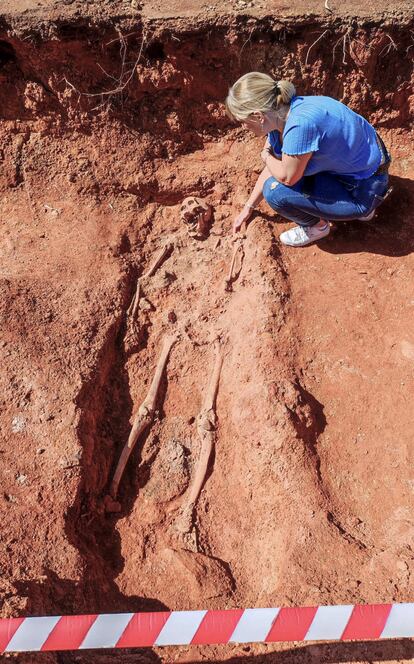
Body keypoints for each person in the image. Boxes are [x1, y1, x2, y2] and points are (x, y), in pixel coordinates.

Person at [225, 72, 391, 247]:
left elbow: (286, 177)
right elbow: (277, 165)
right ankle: (359, 204)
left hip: (366, 188)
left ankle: (319, 227)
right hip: (371, 164)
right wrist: (248, 207)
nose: (243, 127)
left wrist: (265, 155)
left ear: (259, 116)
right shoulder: (288, 111)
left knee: (275, 192)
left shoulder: (299, 127)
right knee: (288, 171)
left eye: (242, 121)